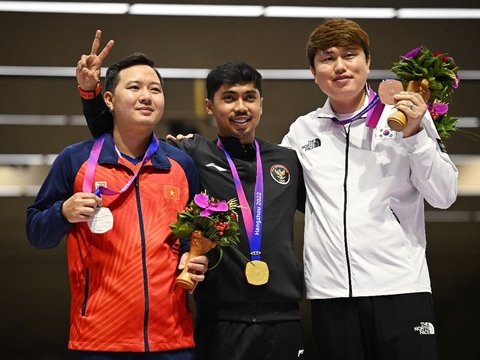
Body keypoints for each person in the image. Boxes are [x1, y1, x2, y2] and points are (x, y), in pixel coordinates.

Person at [77, 31, 306, 360]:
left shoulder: (286, 160)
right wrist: (90, 93)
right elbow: (121, 135)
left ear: (261, 104)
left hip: (284, 316)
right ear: (210, 106)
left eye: (249, 97)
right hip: (220, 319)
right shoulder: (190, 155)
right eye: (229, 98)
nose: (241, 107)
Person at [281, 18, 458, 360]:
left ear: (368, 63)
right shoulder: (302, 132)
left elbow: (445, 195)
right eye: (327, 58)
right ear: (313, 71)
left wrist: (415, 135)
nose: (340, 66)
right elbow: (270, 186)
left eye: (350, 54)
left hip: (400, 287)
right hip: (330, 295)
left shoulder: (407, 116)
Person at [26, 50, 208, 360]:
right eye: (134, 87)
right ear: (109, 99)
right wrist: (62, 213)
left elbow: (198, 231)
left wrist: (196, 256)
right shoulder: (76, 160)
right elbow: (36, 232)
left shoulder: (180, 164)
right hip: (99, 340)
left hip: (172, 339)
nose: (146, 96)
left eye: (155, 89)